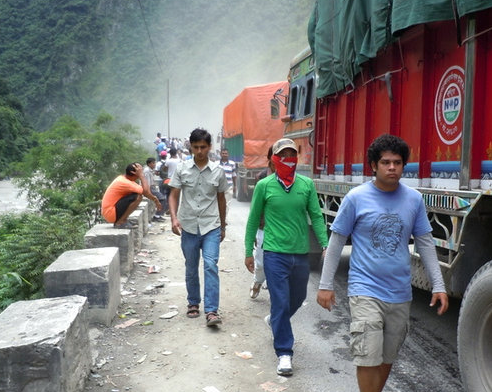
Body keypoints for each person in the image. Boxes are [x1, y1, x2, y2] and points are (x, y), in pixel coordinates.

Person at [316, 134, 449, 392]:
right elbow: (336, 242)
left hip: (399, 292)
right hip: (365, 289)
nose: (392, 168)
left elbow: (426, 244)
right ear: (373, 165)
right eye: (386, 162)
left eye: (398, 162)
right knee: (367, 353)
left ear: (404, 165)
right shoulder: (356, 198)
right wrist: (324, 285)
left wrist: (440, 285)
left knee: (386, 357)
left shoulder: (413, 200)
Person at [244, 138, 328, 376]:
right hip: (273, 253)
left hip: (300, 254)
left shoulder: (306, 185)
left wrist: (325, 244)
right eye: (283, 155)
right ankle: (284, 353)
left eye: (292, 154)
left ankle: (276, 320)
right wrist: (248, 251)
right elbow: (253, 220)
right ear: (274, 159)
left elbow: (317, 216)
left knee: (298, 296)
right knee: (280, 300)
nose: (288, 159)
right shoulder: (265, 186)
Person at [168, 128, 229, 327]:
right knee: (191, 266)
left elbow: (221, 199)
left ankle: (211, 310)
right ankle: (193, 302)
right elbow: (174, 195)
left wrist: (222, 225)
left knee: (210, 265)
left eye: (203, 147)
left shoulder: (218, 172)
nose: (200, 151)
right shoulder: (182, 169)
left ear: (210, 147)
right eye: (196, 147)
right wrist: (174, 219)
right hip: (189, 226)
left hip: (211, 225)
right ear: (191, 147)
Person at [101, 162, 162, 228]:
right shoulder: (124, 182)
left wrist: (155, 199)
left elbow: (146, 192)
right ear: (134, 173)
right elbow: (146, 192)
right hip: (111, 213)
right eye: (140, 171)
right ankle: (120, 222)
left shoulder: (125, 180)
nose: (142, 172)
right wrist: (142, 176)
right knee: (138, 197)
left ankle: (123, 220)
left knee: (137, 195)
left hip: (110, 212)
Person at [249, 146, 274, 299]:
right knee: (261, 262)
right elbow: (256, 207)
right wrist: (252, 233)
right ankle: (258, 281)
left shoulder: (292, 179)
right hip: (264, 227)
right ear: (270, 158)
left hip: (282, 229)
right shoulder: (262, 177)